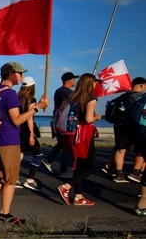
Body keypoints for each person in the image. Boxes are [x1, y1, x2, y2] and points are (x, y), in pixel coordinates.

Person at [0, 62, 48, 225]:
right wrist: (36, 108)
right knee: (10, 180)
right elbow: (17, 120)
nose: (22, 76)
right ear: (11, 74)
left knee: (2, 176)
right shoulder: (10, 94)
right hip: (8, 140)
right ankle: (4, 214)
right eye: (19, 73)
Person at [56, 73, 102, 207]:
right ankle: (66, 187)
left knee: (79, 166)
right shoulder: (91, 98)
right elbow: (88, 119)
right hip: (84, 136)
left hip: (72, 135)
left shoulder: (72, 96)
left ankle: (78, 196)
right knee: (89, 166)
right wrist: (97, 117)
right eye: (95, 82)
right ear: (90, 83)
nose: (96, 84)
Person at [102, 77, 146, 183]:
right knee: (140, 150)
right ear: (141, 85)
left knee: (120, 148)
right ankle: (135, 172)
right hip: (135, 126)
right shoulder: (141, 98)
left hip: (119, 125)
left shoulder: (123, 96)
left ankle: (118, 173)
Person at [42, 72, 79, 178]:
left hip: (58, 121)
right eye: (73, 79)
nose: (74, 81)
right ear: (69, 81)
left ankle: (48, 159)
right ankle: (63, 170)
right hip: (66, 123)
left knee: (62, 143)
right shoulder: (68, 93)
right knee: (67, 147)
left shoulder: (58, 91)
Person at [18, 76, 45, 191]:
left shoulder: (17, 97)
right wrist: (31, 134)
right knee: (38, 154)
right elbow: (30, 117)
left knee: (19, 154)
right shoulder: (31, 99)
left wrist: (39, 104)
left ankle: (15, 178)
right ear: (33, 86)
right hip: (26, 130)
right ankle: (30, 179)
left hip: (17, 128)